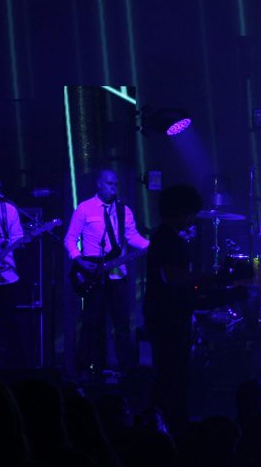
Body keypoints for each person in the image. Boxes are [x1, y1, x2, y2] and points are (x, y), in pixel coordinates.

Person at [65, 169, 149, 376]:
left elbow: (132, 237)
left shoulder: (123, 210)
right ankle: (84, 369)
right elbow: (70, 239)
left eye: (116, 184)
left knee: (122, 323)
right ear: (99, 184)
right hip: (92, 273)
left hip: (117, 274)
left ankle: (127, 370)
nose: (114, 188)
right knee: (91, 322)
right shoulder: (84, 208)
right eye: (110, 184)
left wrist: (152, 245)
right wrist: (80, 261)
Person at [142, 183, 205, 437]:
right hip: (167, 317)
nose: (193, 219)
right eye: (191, 213)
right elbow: (173, 279)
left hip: (165, 315)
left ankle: (159, 428)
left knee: (169, 376)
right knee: (173, 376)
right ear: (183, 211)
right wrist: (209, 279)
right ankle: (173, 429)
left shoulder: (164, 237)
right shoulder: (167, 240)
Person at [0, 176, 25, 368]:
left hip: (8, 271)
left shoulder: (9, 209)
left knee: (10, 318)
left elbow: (18, 235)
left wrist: (15, 244)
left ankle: (13, 363)